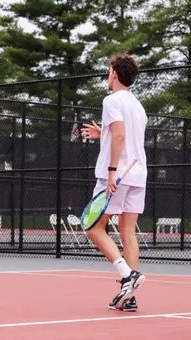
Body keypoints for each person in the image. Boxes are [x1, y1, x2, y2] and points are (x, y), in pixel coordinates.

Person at [81, 53, 147, 311]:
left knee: (93, 226)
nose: (107, 76)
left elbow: (120, 138)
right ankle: (128, 296)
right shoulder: (138, 107)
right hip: (138, 174)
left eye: (109, 72)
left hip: (117, 175)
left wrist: (110, 172)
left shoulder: (111, 100)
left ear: (115, 75)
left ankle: (127, 275)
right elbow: (122, 136)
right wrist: (103, 133)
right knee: (128, 232)